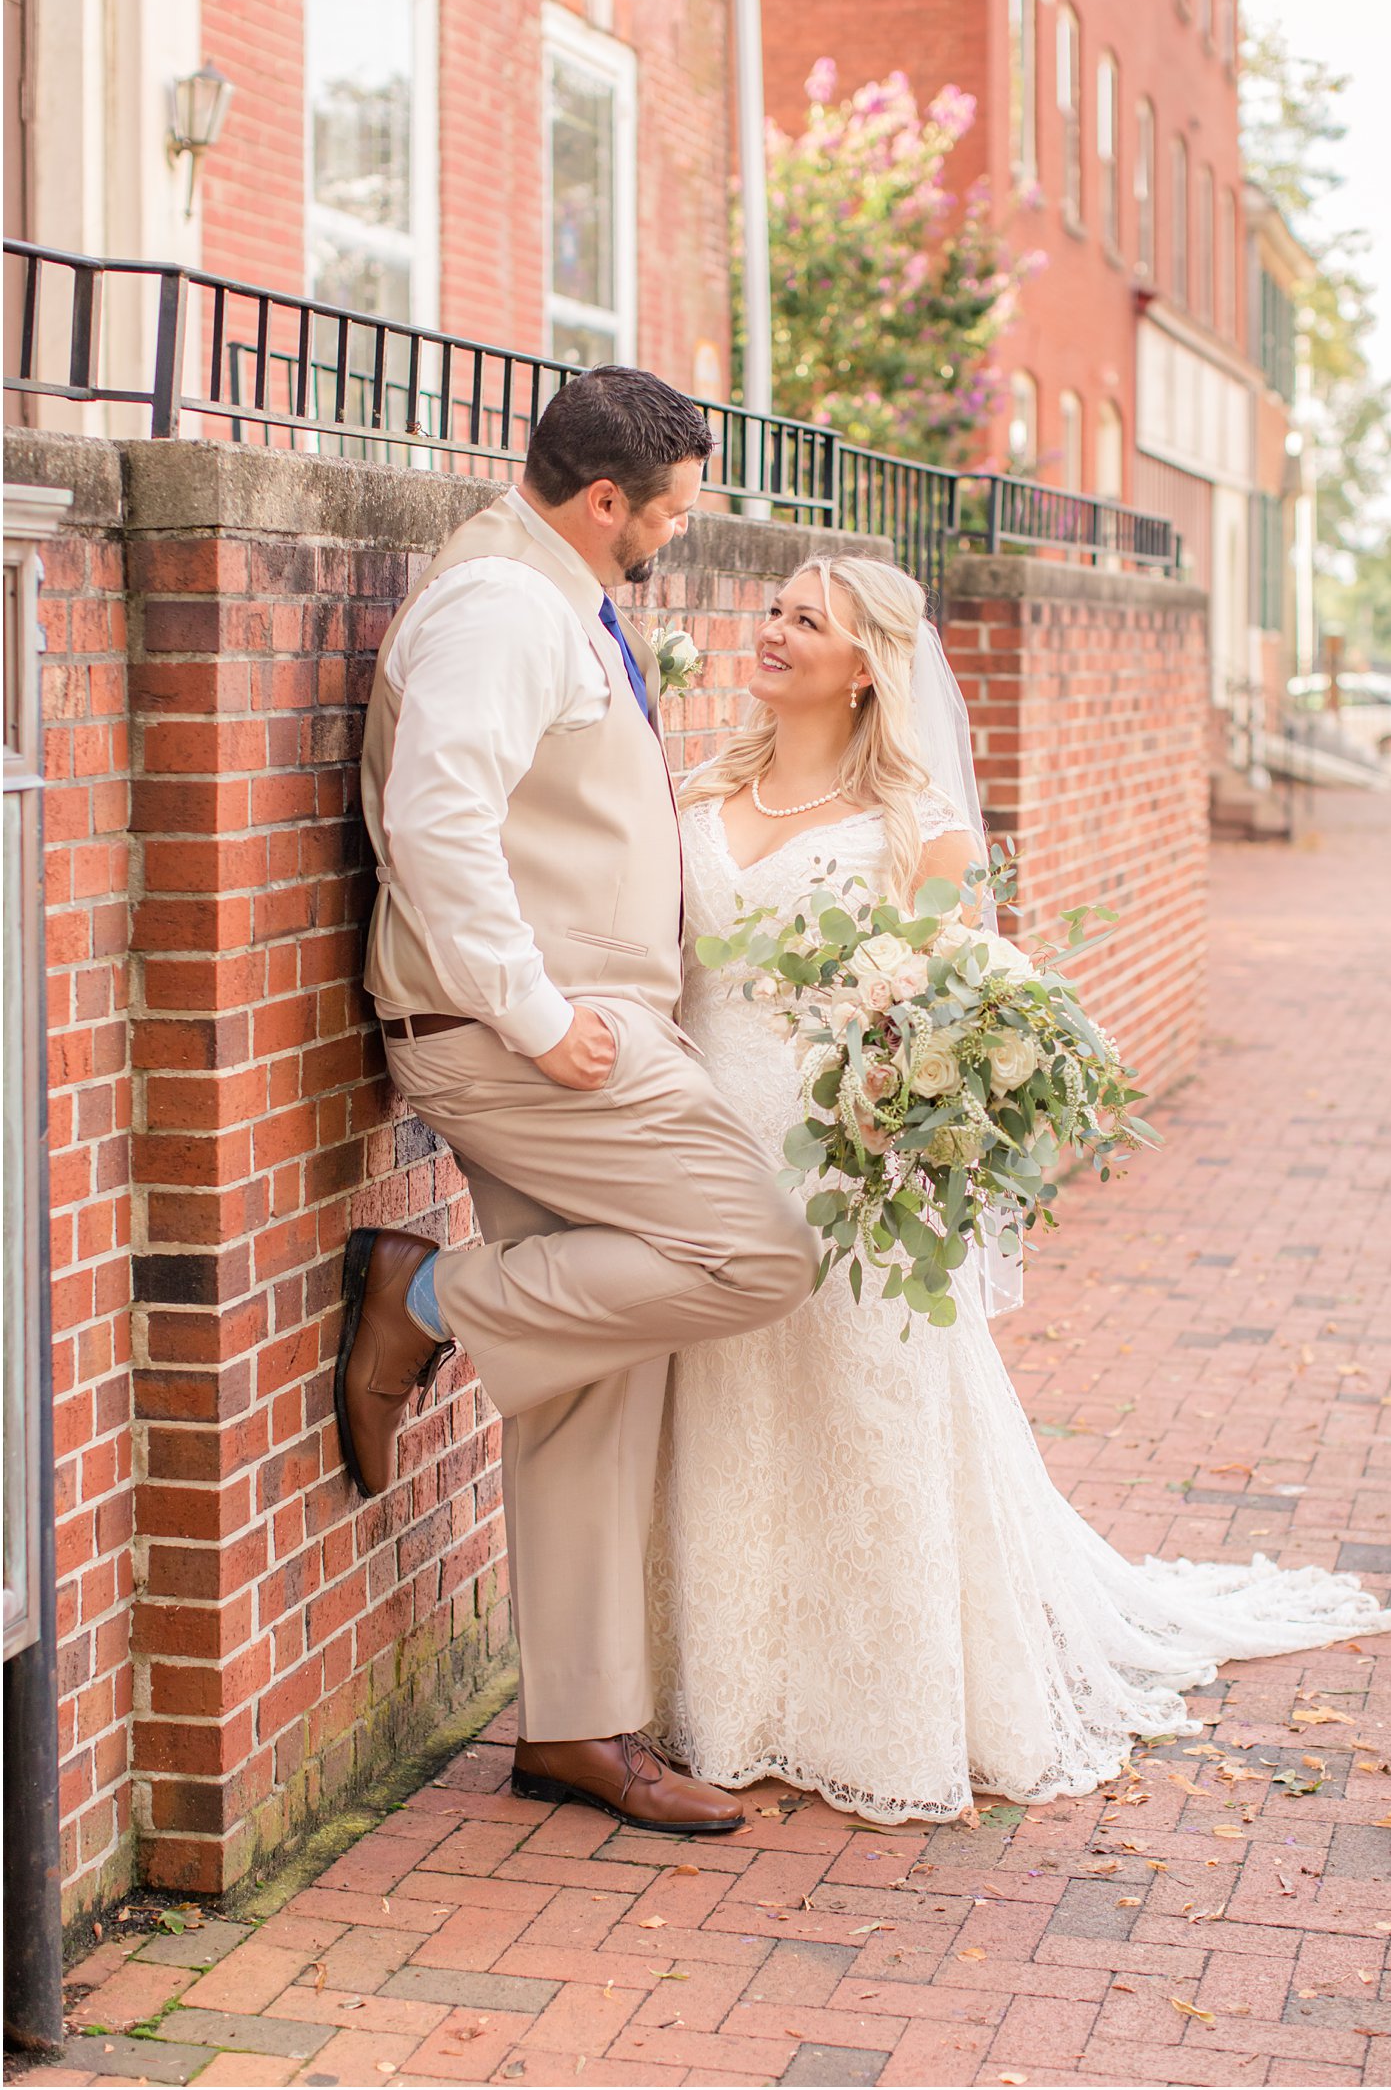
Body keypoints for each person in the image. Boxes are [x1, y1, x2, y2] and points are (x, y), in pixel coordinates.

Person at [648, 552, 1391, 1824]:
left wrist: (897, 1108)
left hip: (843, 1172)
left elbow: (955, 1001)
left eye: (801, 619)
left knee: (864, 1422)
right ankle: (727, 1699)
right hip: (697, 1152)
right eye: (768, 609)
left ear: (867, 662)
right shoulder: (698, 789)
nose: (768, 630)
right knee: (723, 1414)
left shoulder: (919, 828)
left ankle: (881, 1712)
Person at [336, 367, 820, 1837]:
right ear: (607, 500)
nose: (687, 523)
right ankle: (419, 1300)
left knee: (596, 1369)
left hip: (563, 1026)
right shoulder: (505, 607)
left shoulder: (551, 594)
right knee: (755, 1255)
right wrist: (542, 1018)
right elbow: (437, 821)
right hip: (533, 1036)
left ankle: (574, 1726)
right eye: (676, 503)